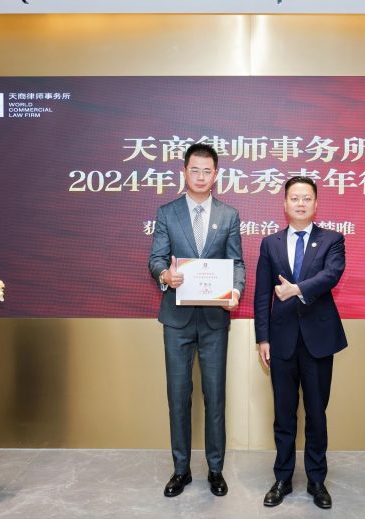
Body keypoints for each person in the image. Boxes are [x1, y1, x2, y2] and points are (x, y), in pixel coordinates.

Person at [148, 143, 245, 498]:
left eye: (207, 171)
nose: (201, 176)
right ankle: (181, 470)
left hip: (215, 320)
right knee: (178, 396)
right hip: (177, 319)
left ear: (216, 175)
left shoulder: (229, 215)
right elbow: (156, 259)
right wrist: (165, 276)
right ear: (184, 172)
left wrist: (236, 291)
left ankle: (215, 470)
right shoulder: (167, 212)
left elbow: (236, 263)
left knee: (214, 396)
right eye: (195, 170)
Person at [253, 176, 347, 509]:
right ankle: (282, 478)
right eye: (295, 198)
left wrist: (297, 289)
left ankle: (317, 481)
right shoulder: (270, 243)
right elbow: (262, 294)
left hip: (318, 339)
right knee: (284, 414)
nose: (301, 203)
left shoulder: (332, 239)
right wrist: (262, 338)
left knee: (317, 414)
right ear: (285, 203)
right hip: (281, 340)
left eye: (307, 198)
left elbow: (332, 275)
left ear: (316, 204)